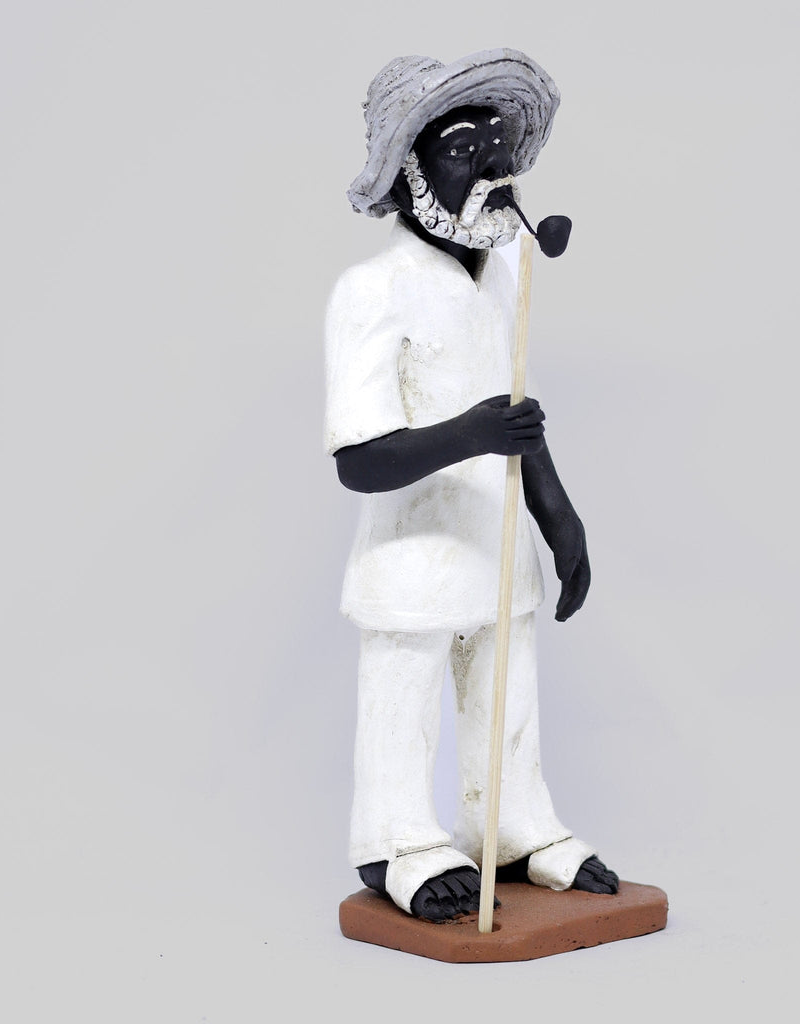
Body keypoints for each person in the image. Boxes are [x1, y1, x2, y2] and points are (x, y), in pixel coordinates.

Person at [325, 49, 618, 921]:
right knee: (404, 691)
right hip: (414, 549)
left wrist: (558, 515)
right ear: (407, 174)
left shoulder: (509, 269)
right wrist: (469, 434)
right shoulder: (371, 291)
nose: (493, 167)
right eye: (464, 149)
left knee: (508, 685)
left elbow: (517, 407)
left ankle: (513, 826)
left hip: (498, 541)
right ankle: (396, 842)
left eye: (500, 148)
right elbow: (358, 460)